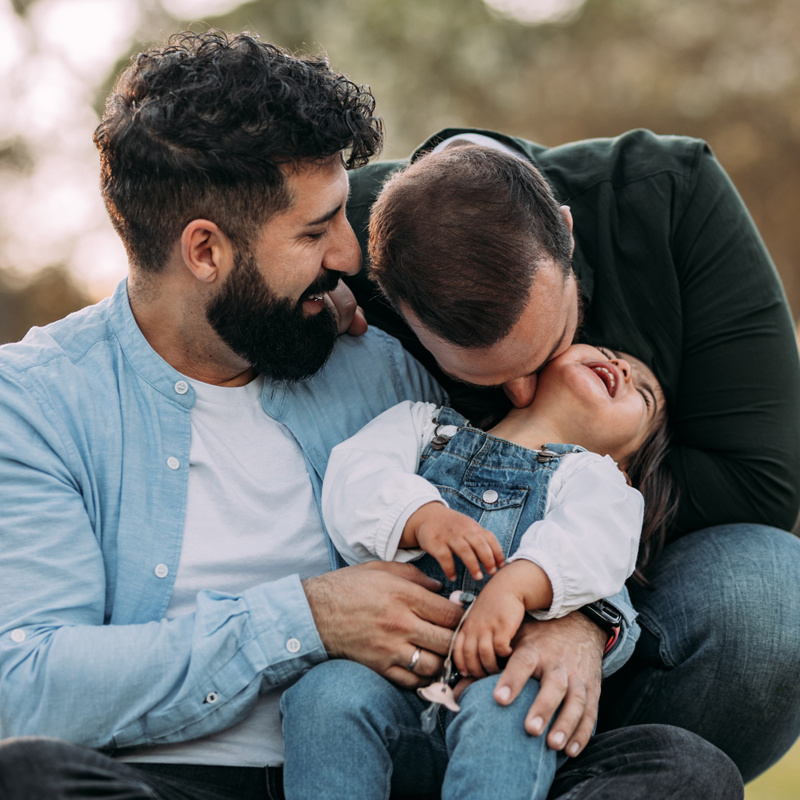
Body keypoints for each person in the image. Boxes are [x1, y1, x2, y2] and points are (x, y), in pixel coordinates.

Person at [0, 28, 741, 800]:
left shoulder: (375, 364)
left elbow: (522, 494)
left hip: (406, 759)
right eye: (317, 231)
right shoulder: (37, 402)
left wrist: (582, 621)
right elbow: (25, 685)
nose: (352, 257)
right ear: (206, 251)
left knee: (683, 771)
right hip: (169, 781)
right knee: (26, 778)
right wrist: (305, 620)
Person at [343, 136, 800, 782]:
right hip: (404, 641)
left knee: (776, 593)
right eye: (489, 378)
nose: (522, 390)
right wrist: (301, 300)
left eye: (549, 344)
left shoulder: (670, 194)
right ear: (382, 291)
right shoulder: (333, 240)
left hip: (620, 605)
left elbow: (760, 484)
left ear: (564, 229)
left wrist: (577, 602)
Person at [281, 340, 672, 800]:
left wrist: (518, 586)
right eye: (609, 351)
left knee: (514, 709)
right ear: (523, 377)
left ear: (625, 464)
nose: (622, 368)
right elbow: (355, 478)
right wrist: (424, 518)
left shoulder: (598, 481)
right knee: (324, 695)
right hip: (387, 680)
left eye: (643, 395)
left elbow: (597, 540)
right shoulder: (424, 426)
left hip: (495, 686)